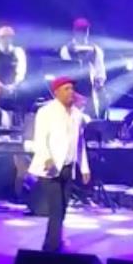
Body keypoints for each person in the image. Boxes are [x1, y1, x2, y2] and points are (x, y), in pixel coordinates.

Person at [28, 77, 91, 252]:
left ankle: (55, 240)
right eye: (66, 89)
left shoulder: (77, 115)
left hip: (68, 168)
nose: (71, 92)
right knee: (56, 209)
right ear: (56, 92)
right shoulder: (46, 112)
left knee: (63, 208)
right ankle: (50, 248)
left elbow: (80, 143)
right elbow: (40, 139)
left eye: (72, 89)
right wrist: (47, 158)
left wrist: (84, 167)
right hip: (50, 169)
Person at [60, 17, 106, 118]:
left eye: (85, 31)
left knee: (90, 120)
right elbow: (64, 72)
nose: (83, 34)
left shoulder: (96, 50)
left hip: (90, 93)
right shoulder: (66, 49)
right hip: (72, 92)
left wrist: (98, 83)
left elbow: (100, 72)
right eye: (80, 31)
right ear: (74, 31)